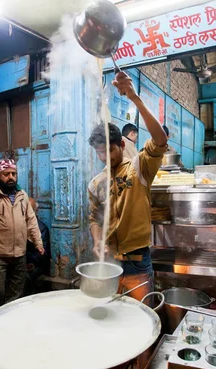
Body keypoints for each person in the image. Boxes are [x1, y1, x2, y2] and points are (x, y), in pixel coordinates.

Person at [88, 71, 168, 303]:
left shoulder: (139, 167)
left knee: (143, 315)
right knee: (112, 317)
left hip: (137, 261)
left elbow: (160, 140)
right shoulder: (96, 184)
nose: (104, 157)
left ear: (121, 144)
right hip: (109, 263)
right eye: (99, 152)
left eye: (109, 150)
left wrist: (134, 97)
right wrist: (97, 241)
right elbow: (94, 218)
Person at [0, 159, 44, 312]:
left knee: (16, 294)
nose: (11, 177)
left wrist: (38, 242)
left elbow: (31, 220)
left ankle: (8, 322)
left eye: (13, 174)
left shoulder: (22, 194)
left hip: (19, 255)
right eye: (6, 174)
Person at [25, 198, 51, 295]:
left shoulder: (41, 228)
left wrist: (27, 261)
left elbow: (42, 255)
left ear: (36, 211)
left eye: (30, 210)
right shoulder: (18, 225)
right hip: (20, 262)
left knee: (25, 277)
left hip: (35, 265)